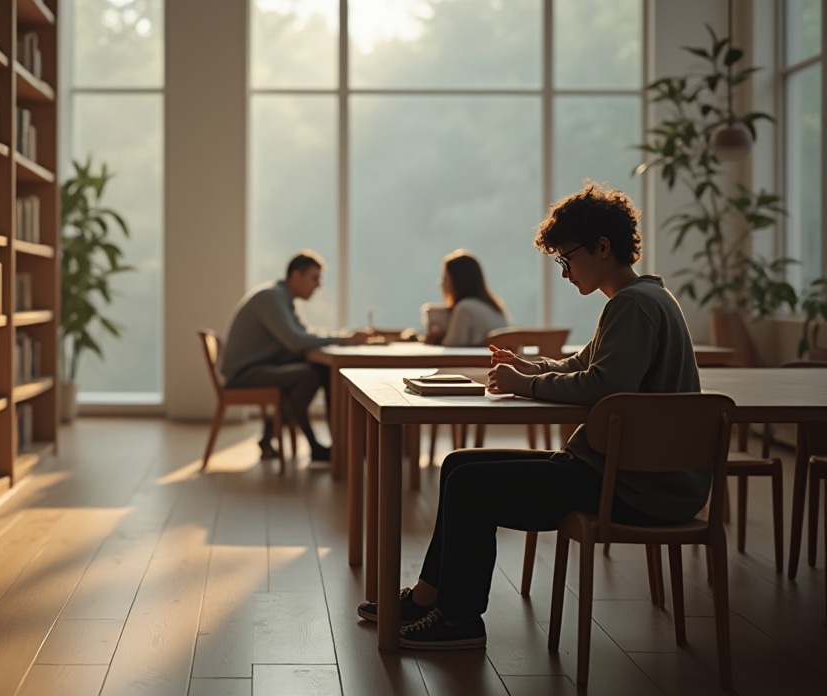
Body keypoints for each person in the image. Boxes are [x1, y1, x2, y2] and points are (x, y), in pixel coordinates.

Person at [357, 181, 702, 649]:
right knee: (459, 463)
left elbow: (605, 387)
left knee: (469, 484)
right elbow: (585, 366)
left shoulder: (632, 306)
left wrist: (529, 385)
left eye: (567, 258)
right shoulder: (642, 298)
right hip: (624, 473)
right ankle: (427, 595)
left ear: (603, 247)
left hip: (632, 485)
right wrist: (530, 369)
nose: (563, 272)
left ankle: (459, 621)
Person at [220, 251, 369, 462]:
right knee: (309, 375)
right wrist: (342, 339)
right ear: (296, 275)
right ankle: (283, 430)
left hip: (261, 366)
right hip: (245, 373)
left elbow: (303, 335)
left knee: (320, 370)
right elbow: (297, 342)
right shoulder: (271, 299)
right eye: (314, 278)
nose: (318, 285)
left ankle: (337, 443)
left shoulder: (283, 299)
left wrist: (340, 337)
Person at [424, 250, 509, 345]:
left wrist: (436, 340)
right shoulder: (493, 307)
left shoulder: (464, 308)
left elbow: (452, 346)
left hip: (477, 360)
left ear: (457, 281)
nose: (441, 284)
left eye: (445, 278)